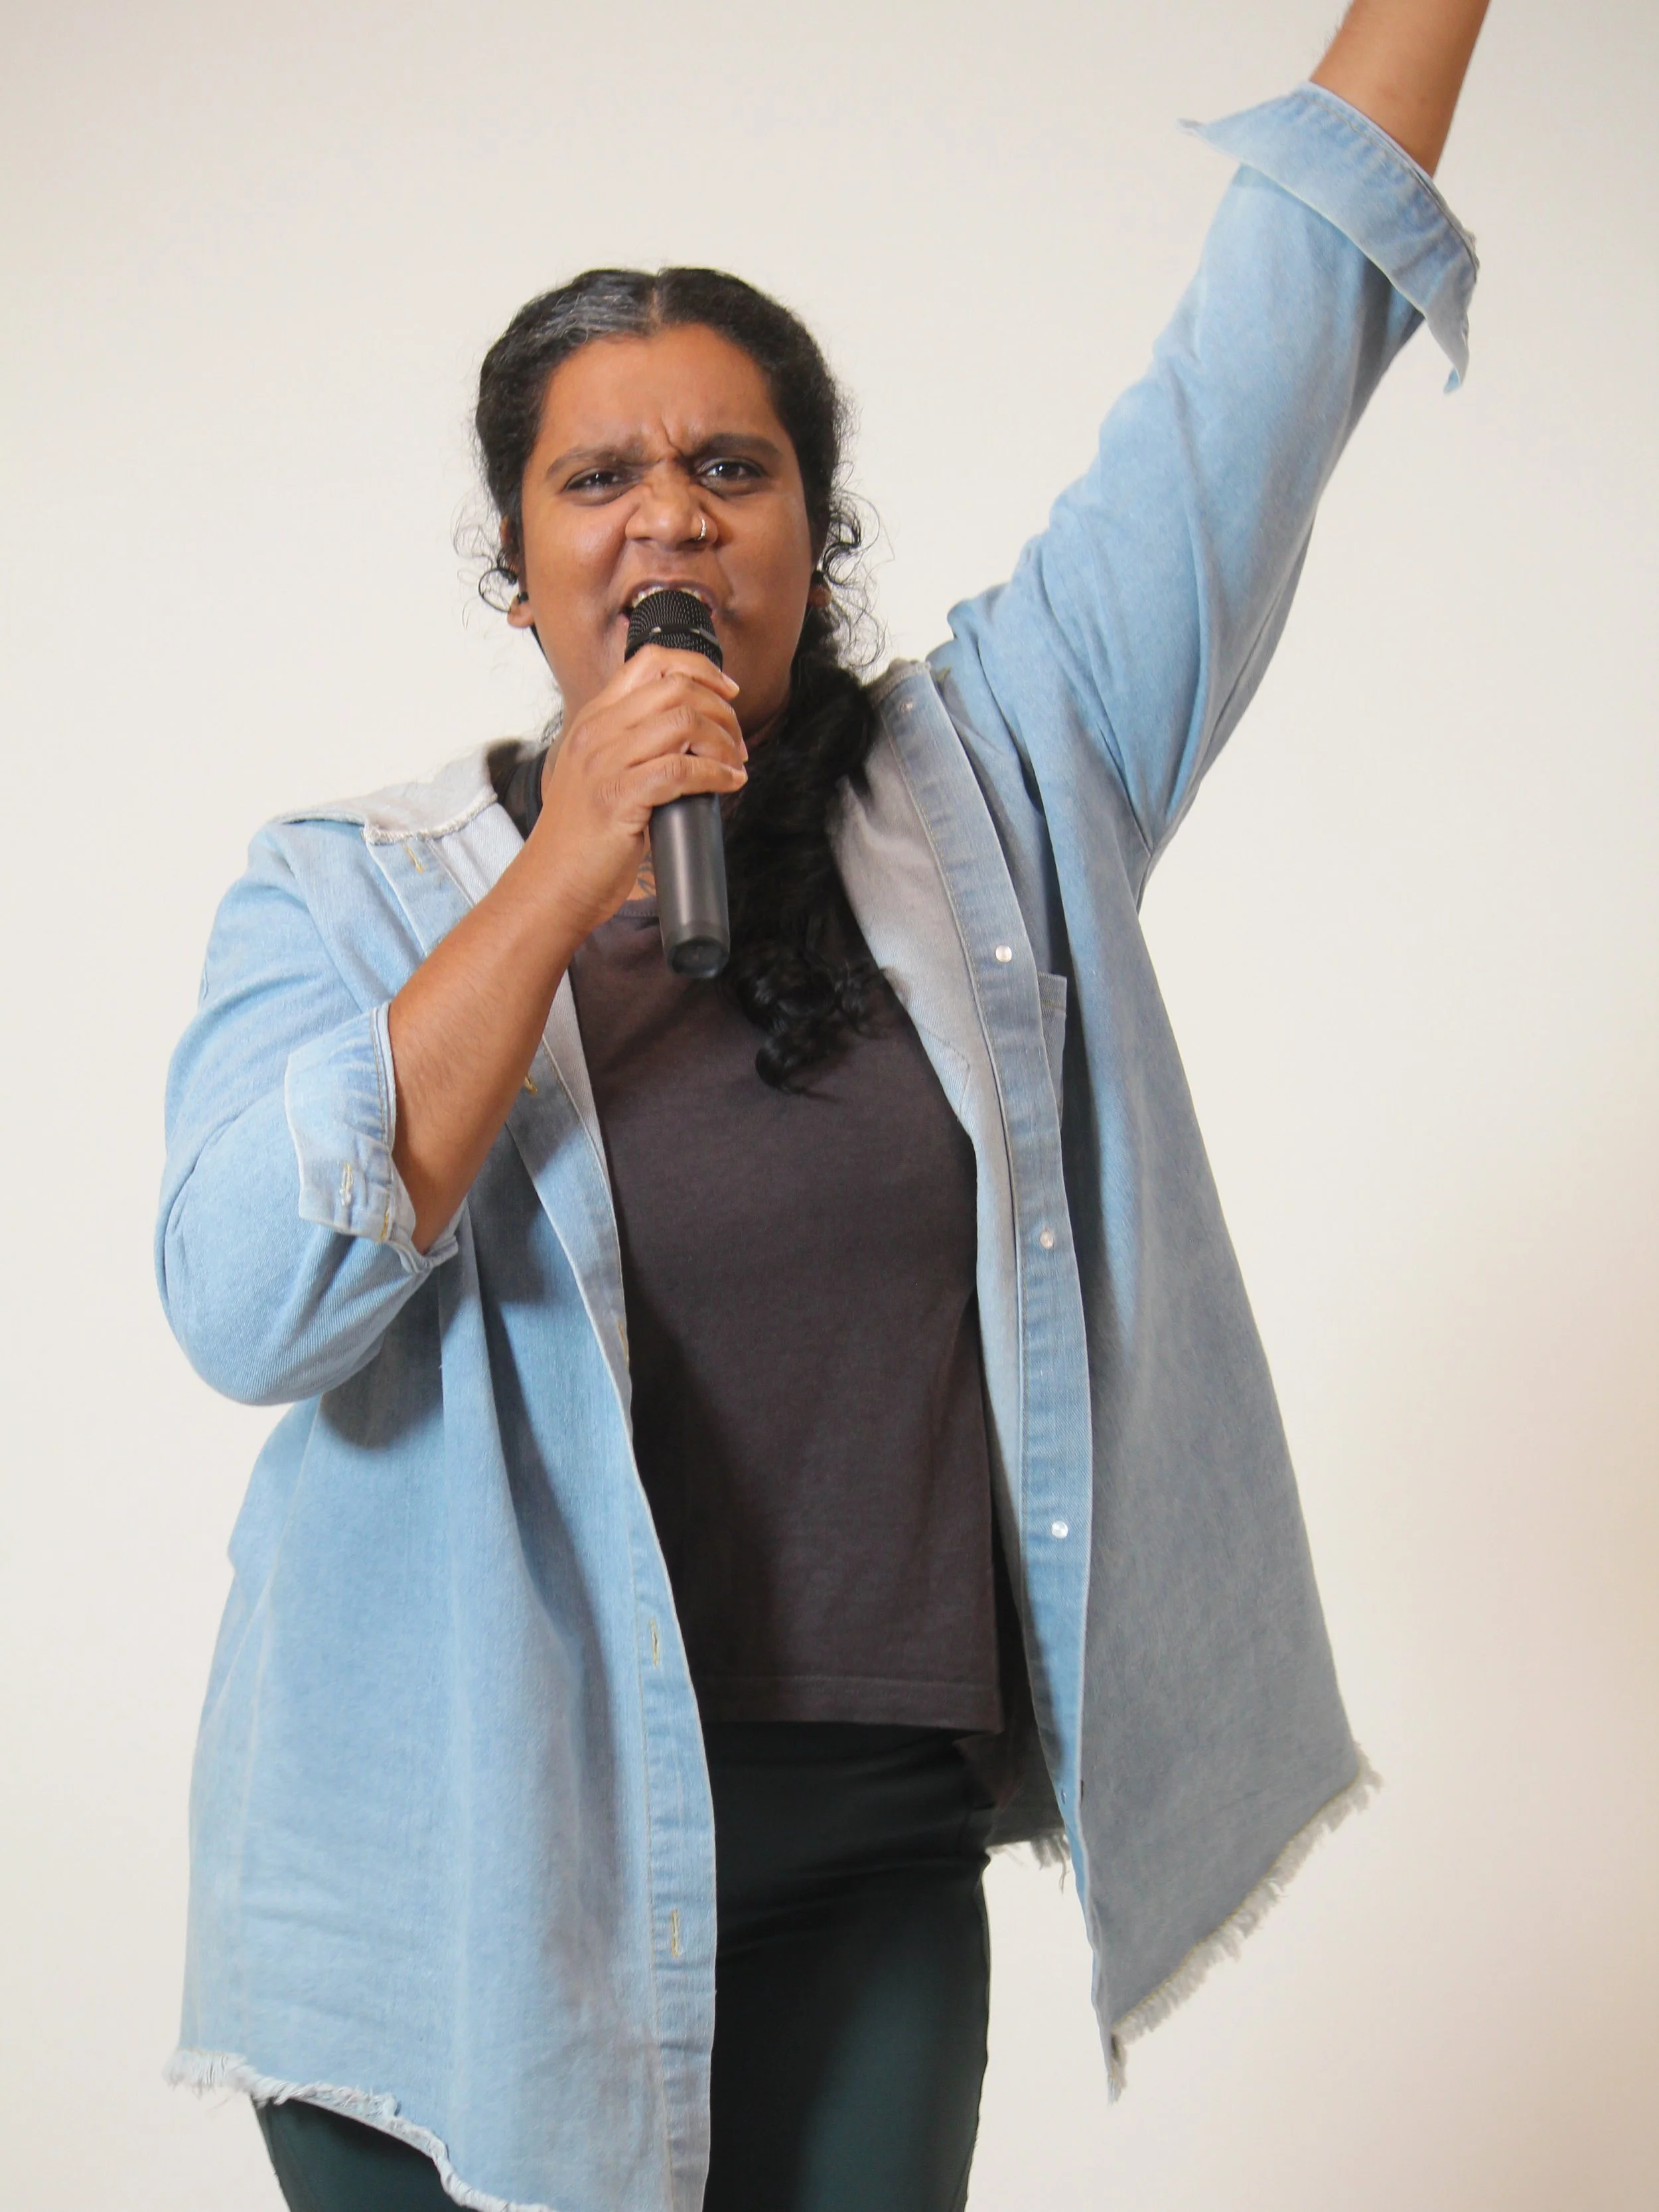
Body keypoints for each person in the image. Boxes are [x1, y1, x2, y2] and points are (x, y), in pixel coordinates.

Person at [157, 5, 1490, 2207]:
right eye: (597, 478)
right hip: (468, 1866)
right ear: (520, 571)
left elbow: (1258, 367)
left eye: (732, 467)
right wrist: (569, 867)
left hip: (863, 1841)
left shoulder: (1001, 790)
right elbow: (246, 1306)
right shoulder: (341, 893)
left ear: (809, 535)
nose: (667, 510)